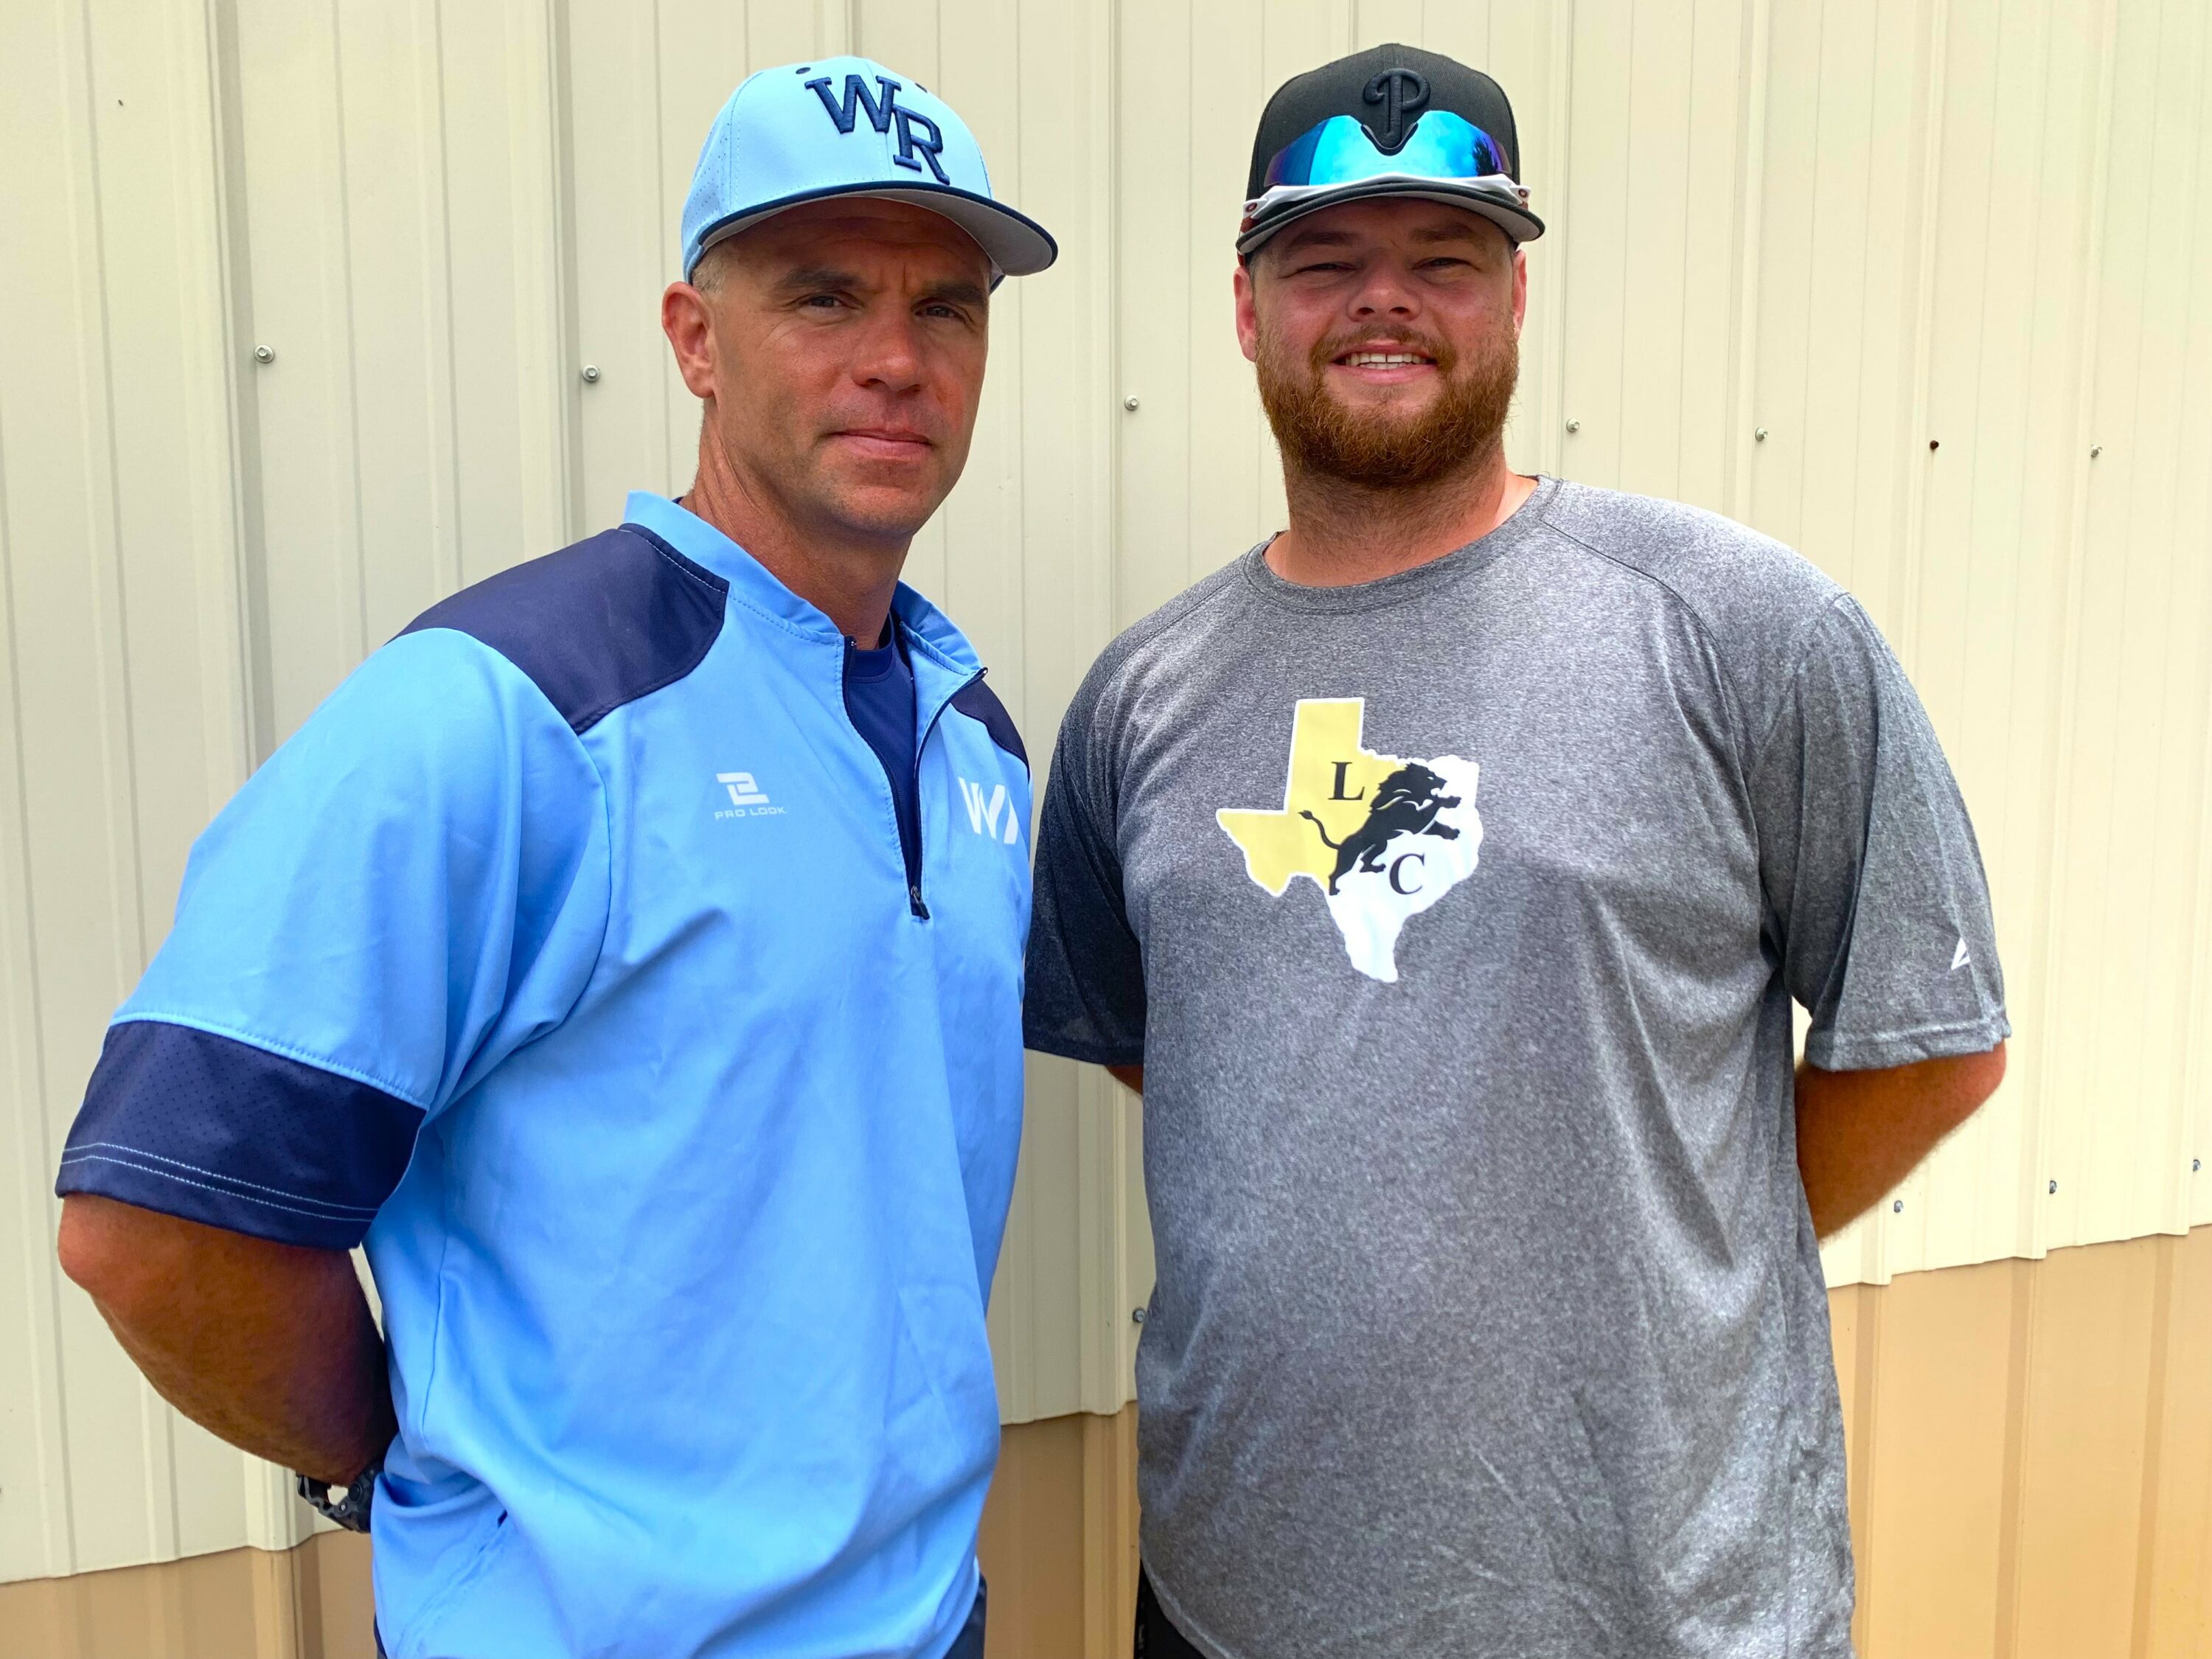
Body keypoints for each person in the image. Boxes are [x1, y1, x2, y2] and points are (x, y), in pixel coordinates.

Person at [55, 55, 1051, 1659]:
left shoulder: (972, 736)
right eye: (821, 295)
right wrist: (389, 1464)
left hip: (925, 1623)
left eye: (948, 308)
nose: (896, 359)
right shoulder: (508, 711)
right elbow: (159, 1229)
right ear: (691, 339)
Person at [1023, 41, 2008, 1659]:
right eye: (1325, 261)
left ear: (1519, 298)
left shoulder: (1738, 632)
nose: (1382, 302)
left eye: (1445, 261)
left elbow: (1936, 1045)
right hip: (1234, 1592)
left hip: (1647, 1605)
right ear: (1248, 305)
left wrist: (1659, 1261)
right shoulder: (1141, 701)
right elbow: (1188, 1058)